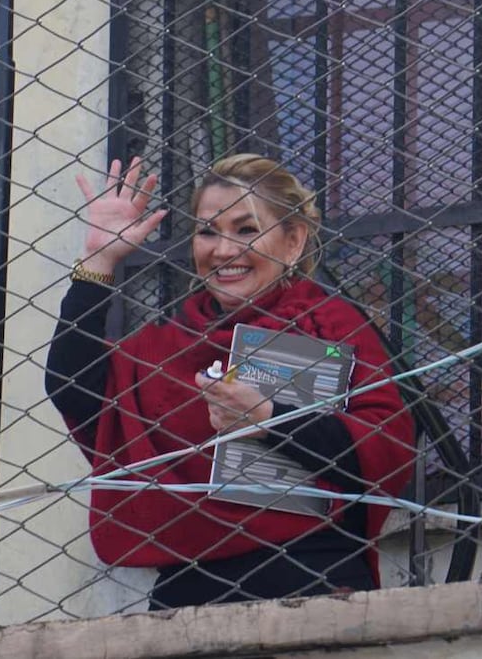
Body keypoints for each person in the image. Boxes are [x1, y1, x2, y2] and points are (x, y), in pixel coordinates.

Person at [45, 154, 414, 609]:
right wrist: (99, 259)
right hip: (187, 592)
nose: (222, 251)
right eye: (208, 231)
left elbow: (385, 450)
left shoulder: (331, 325)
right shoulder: (167, 344)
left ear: (293, 240)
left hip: (313, 580)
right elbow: (74, 388)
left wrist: (269, 419)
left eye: (246, 230)